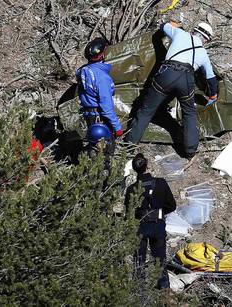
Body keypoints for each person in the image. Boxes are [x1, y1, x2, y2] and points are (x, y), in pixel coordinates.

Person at [125, 21, 218, 159]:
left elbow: (162, 26)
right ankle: (190, 151)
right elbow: (210, 77)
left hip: (166, 74)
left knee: (146, 110)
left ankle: (130, 145)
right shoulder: (203, 53)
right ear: (206, 39)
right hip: (186, 80)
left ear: (194, 30)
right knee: (189, 114)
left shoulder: (179, 33)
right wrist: (213, 95)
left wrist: (172, 24)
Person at [124, 153, 177, 289]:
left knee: (139, 261)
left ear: (135, 170)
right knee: (160, 260)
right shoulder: (161, 183)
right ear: (147, 166)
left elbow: (129, 213)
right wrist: (159, 212)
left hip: (139, 227)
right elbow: (172, 205)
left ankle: (138, 290)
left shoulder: (131, 189)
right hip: (157, 226)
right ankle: (164, 290)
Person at [76, 37, 123, 164]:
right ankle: (104, 174)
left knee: (94, 146)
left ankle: (90, 169)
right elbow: (106, 107)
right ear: (102, 55)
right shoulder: (102, 77)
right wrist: (117, 127)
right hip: (100, 117)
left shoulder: (82, 71)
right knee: (106, 150)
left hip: (89, 115)